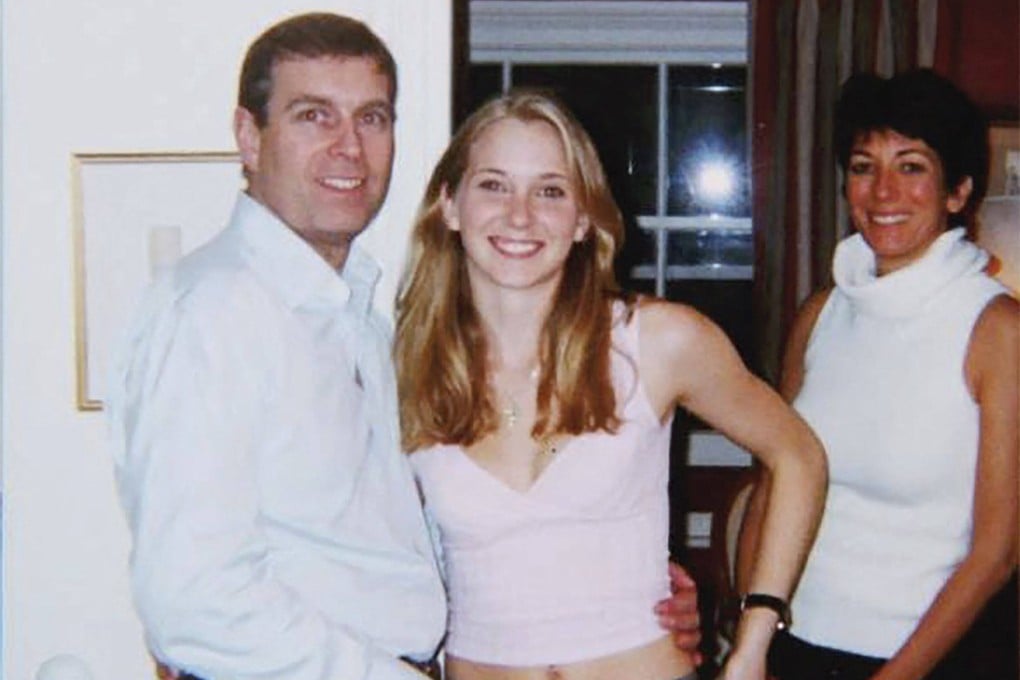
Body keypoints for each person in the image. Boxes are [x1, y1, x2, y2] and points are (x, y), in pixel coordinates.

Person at [108, 13, 701, 680]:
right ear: (250, 135)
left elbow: (391, 542)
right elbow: (193, 602)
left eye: (372, 118)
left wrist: (606, 584)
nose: (348, 147)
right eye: (313, 116)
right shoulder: (212, 313)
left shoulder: (365, 320)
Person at [394, 89, 827, 680]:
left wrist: (754, 642)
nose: (519, 215)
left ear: (582, 220)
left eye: (550, 191)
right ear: (449, 206)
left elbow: (798, 455)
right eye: (493, 185)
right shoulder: (403, 365)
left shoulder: (657, 341)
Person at [737, 69, 1019, 680]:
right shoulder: (820, 313)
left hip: (922, 659)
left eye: (911, 166)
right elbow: (771, 488)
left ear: (958, 191)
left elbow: (998, 551)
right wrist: (750, 637)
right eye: (864, 166)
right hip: (792, 645)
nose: (883, 190)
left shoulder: (997, 331)